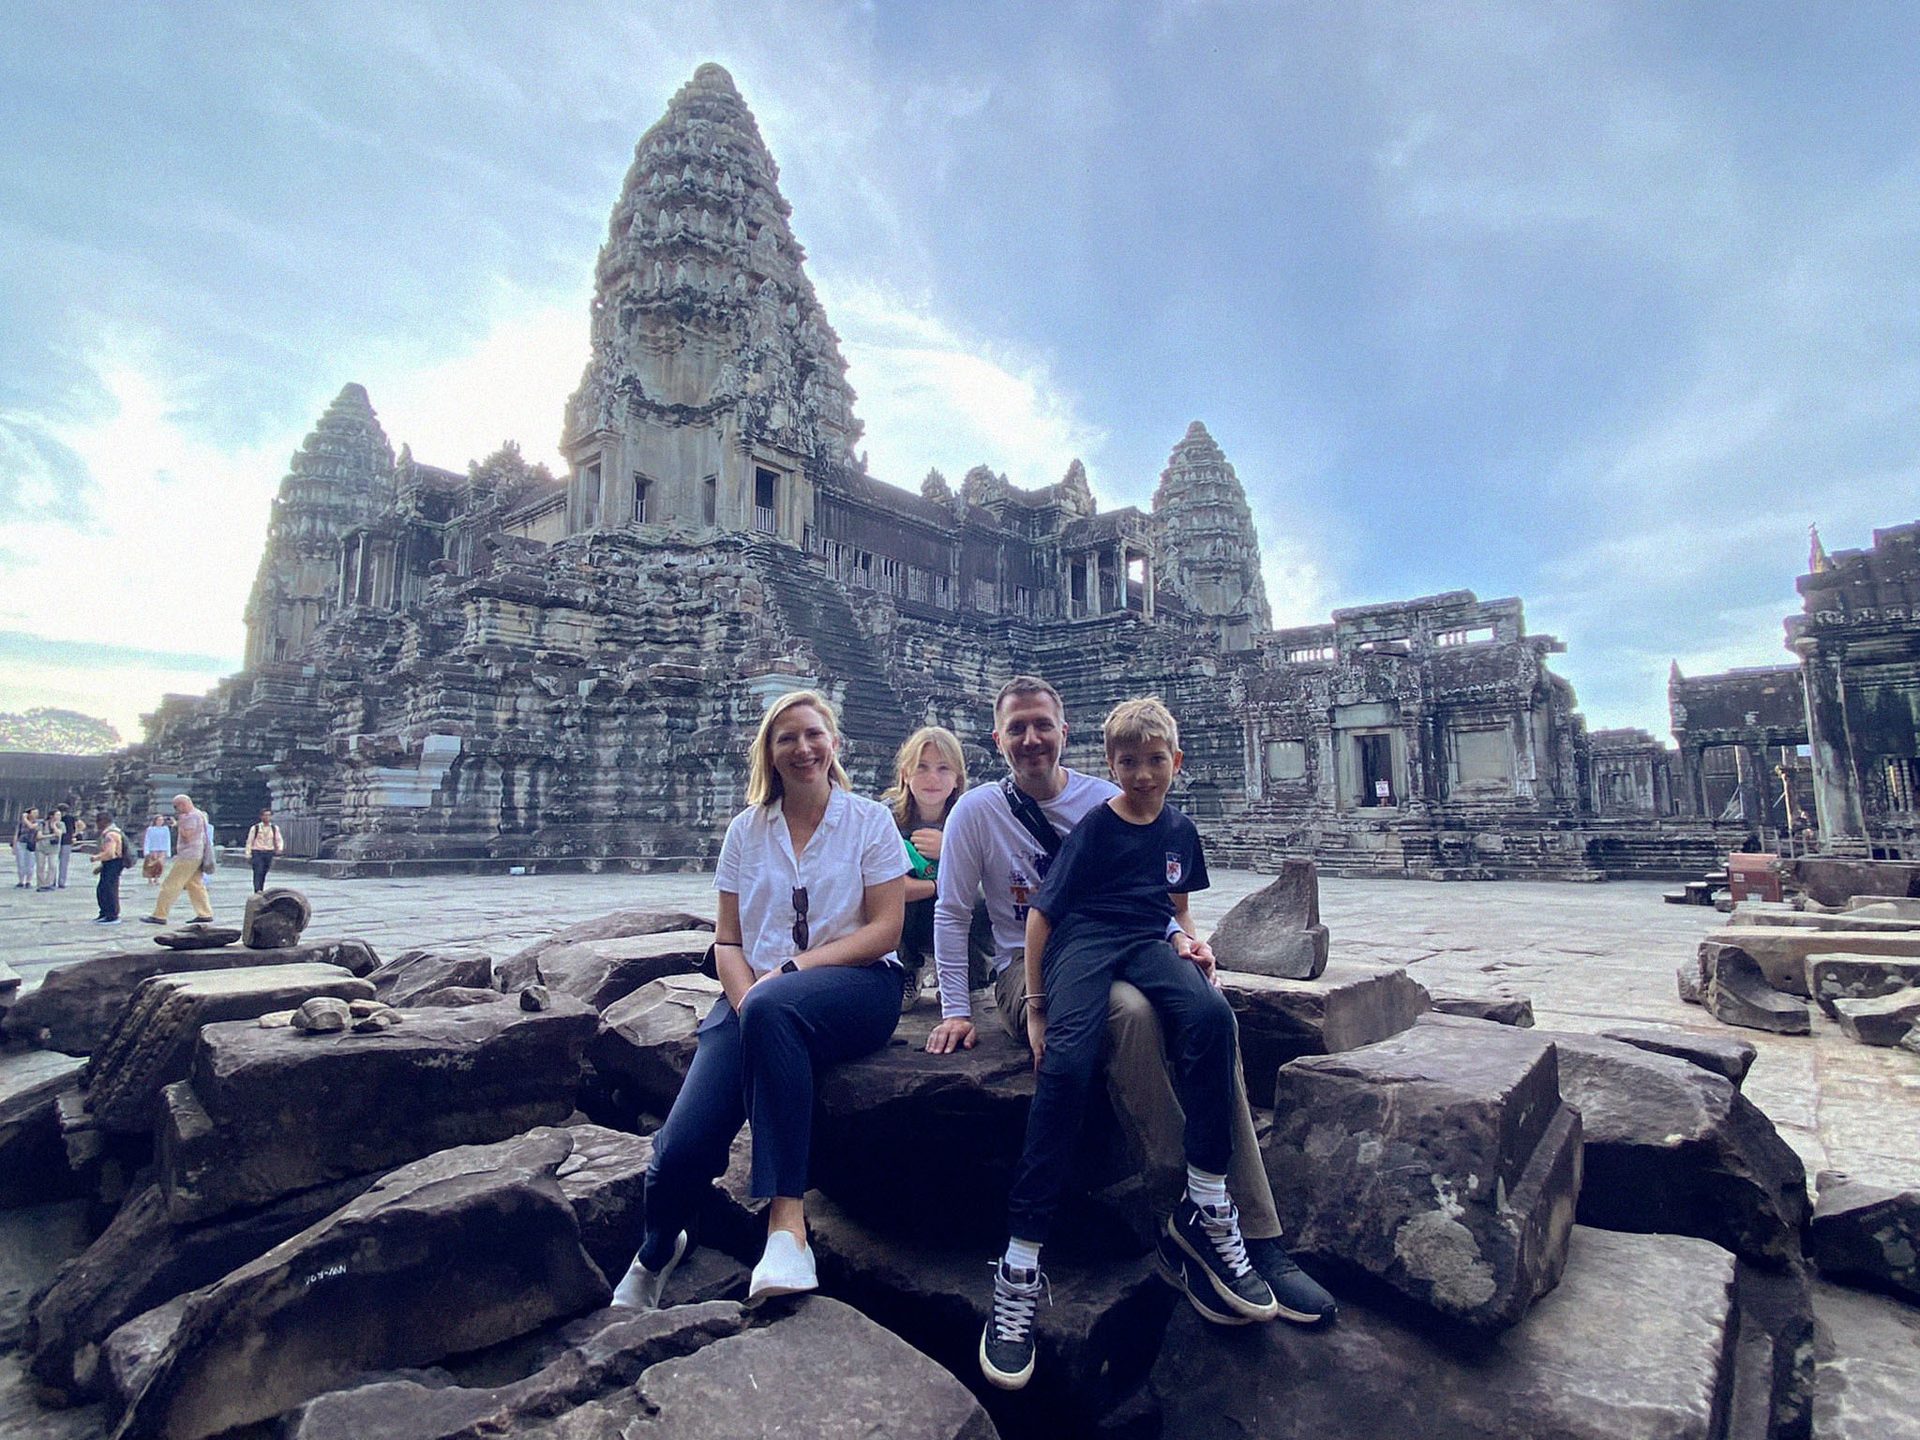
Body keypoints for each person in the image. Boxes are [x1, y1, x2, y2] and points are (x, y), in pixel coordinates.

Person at [926, 678, 1334, 1384]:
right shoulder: (977, 812)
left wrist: (1187, 940)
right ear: (998, 738)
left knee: (1206, 1009)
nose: (1030, 739)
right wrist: (958, 1011)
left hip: (1124, 947)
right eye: (1016, 727)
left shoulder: (1105, 796)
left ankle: (1251, 1232)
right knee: (1134, 1016)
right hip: (1028, 966)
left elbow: (1162, 897)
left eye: (1042, 725)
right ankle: (1188, 1206)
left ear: (1064, 731)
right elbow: (954, 915)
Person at [608, 690, 907, 1309]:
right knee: (677, 1152)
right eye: (786, 738)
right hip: (753, 997)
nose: (803, 748)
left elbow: (885, 929)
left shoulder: (870, 820)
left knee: (777, 1008)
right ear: (768, 754)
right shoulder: (746, 830)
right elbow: (728, 941)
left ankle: (787, 1229)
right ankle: (659, 1247)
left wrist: (792, 971)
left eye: (813, 735)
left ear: (835, 744)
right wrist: (750, 1005)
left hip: (859, 985)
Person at [880, 726, 994, 1012]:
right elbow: (885, 888)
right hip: (910, 918)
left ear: (957, 778)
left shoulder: (970, 815)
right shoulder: (885, 818)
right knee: (887, 897)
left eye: (943, 769)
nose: (932, 778)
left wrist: (950, 849)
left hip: (962, 916)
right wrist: (937, 885)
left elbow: (992, 878)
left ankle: (972, 977)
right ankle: (905, 970)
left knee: (978, 897)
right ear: (905, 773)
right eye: (922, 767)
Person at [142, 794, 214, 925]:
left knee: (171, 884)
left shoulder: (191, 816)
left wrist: (180, 823)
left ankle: (160, 915)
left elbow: (188, 834)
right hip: (196, 854)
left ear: (183, 804)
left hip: (189, 855)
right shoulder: (199, 814)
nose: (176, 809)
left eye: (176, 806)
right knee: (195, 885)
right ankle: (205, 913)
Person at [91, 810, 127, 924]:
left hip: (114, 862)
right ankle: (104, 913)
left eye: (98, 821)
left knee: (109, 889)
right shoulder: (113, 832)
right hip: (110, 863)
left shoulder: (110, 834)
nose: (97, 824)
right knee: (103, 889)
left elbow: (110, 853)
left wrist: (96, 858)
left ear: (103, 822)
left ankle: (112, 915)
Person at [246, 808, 284, 893]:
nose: (267, 817)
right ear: (261, 816)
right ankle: (257, 890)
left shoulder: (274, 828)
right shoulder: (255, 828)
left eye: (269, 815)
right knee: (258, 871)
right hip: (257, 852)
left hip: (269, 852)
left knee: (264, 872)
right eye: (265, 815)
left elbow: (279, 839)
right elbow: (249, 841)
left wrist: (279, 848)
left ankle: (261, 888)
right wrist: (248, 854)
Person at [35, 808, 61, 891]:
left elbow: (59, 834)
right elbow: (39, 836)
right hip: (41, 847)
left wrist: (53, 826)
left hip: (54, 849)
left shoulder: (61, 824)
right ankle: (41, 884)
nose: (59, 817)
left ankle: (48, 883)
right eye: (57, 815)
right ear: (51, 816)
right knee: (40, 866)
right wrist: (51, 835)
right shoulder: (42, 824)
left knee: (53, 866)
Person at [142, 815, 172, 884]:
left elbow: (167, 839)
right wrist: (146, 850)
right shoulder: (150, 829)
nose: (160, 822)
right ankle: (150, 878)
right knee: (152, 864)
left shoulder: (165, 829)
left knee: (160, 864)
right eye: (159, 820)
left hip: (162, 848)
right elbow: (147, 839)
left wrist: (168, 851)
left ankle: (157, 878)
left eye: (161, 820)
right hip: (153, 848)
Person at [57, 806, 81, 888]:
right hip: (67, 841)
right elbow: (81, 825)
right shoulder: (71, 818)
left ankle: (53, 881)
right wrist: (75, 834)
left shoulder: (56, 818)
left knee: (53, 863)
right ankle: (61, 882)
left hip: (57, 841)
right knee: (64, 863)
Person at [12, 809, 36, 889]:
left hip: (31, 844)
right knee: (21, 863)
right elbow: (17, 834)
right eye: (34, 813)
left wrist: (25, 819)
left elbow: (31, 827)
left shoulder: (38, 822)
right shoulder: (20, 823)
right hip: (21, 843)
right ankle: (21, 881)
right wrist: (14, 846)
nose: (36, 814)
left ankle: (28, 881)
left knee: (30, 864)